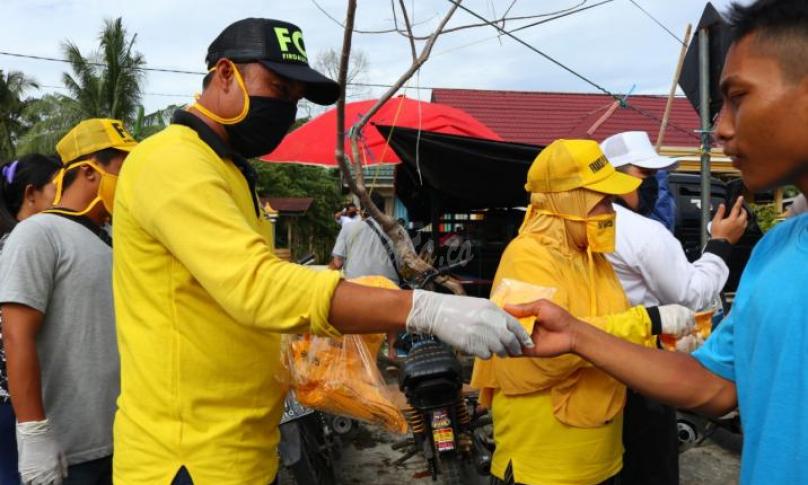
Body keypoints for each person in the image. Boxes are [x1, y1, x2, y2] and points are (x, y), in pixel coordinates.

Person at [110, 18, 532, 485]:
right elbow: (256, 286)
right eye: (277, 88)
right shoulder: (173, 161)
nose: (286, 108)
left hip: (240, 448)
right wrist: (422, 308)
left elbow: (226, 292)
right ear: (225, 74)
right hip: (186, 459)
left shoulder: (225, 168)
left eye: (295, 98)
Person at [511, 1, 808, 483]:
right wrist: (578, 335)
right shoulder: (773, 252)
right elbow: (713, 380)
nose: (721, 129)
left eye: (738, 98)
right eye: (643, 175)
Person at [471, 139, 696, 485]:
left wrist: (657, 343)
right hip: (546, 467)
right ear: (567, 201)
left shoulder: (593, 258)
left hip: (602, 458)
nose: (611, 212)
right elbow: (540, 349)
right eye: (601, 201)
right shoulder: (527, 257)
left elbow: (604, 333)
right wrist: (648, 321)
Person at [599, 131, 748, 485]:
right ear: (614, 177)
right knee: (651, 467)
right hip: (644, 367)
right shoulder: (641, 231)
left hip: (598, 360)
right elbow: (690, 294)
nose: (656, 186)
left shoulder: (581, 223)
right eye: (646, 175)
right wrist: (721, 243)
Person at [1, 119, 136, 485]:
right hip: (68, 452)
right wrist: (34, 433)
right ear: (89, 171)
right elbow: (16, 335)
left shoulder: (112, 238)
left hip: (122, 439)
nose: (132, 181)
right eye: (123, 169)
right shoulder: (38, 234)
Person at [0, 154, 62, 485]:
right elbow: (13, 335)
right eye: (57, 187)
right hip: (17, 401)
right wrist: (33, 426)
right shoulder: (23, 246)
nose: (64, 196)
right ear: (31, 194)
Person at [329, 194, 404, 285]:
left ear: (361, 210)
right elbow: (406, 265)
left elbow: (337, 263)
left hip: (356, 287)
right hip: (390, 288)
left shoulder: (347, 227)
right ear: (384, 210)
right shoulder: (398, 229)